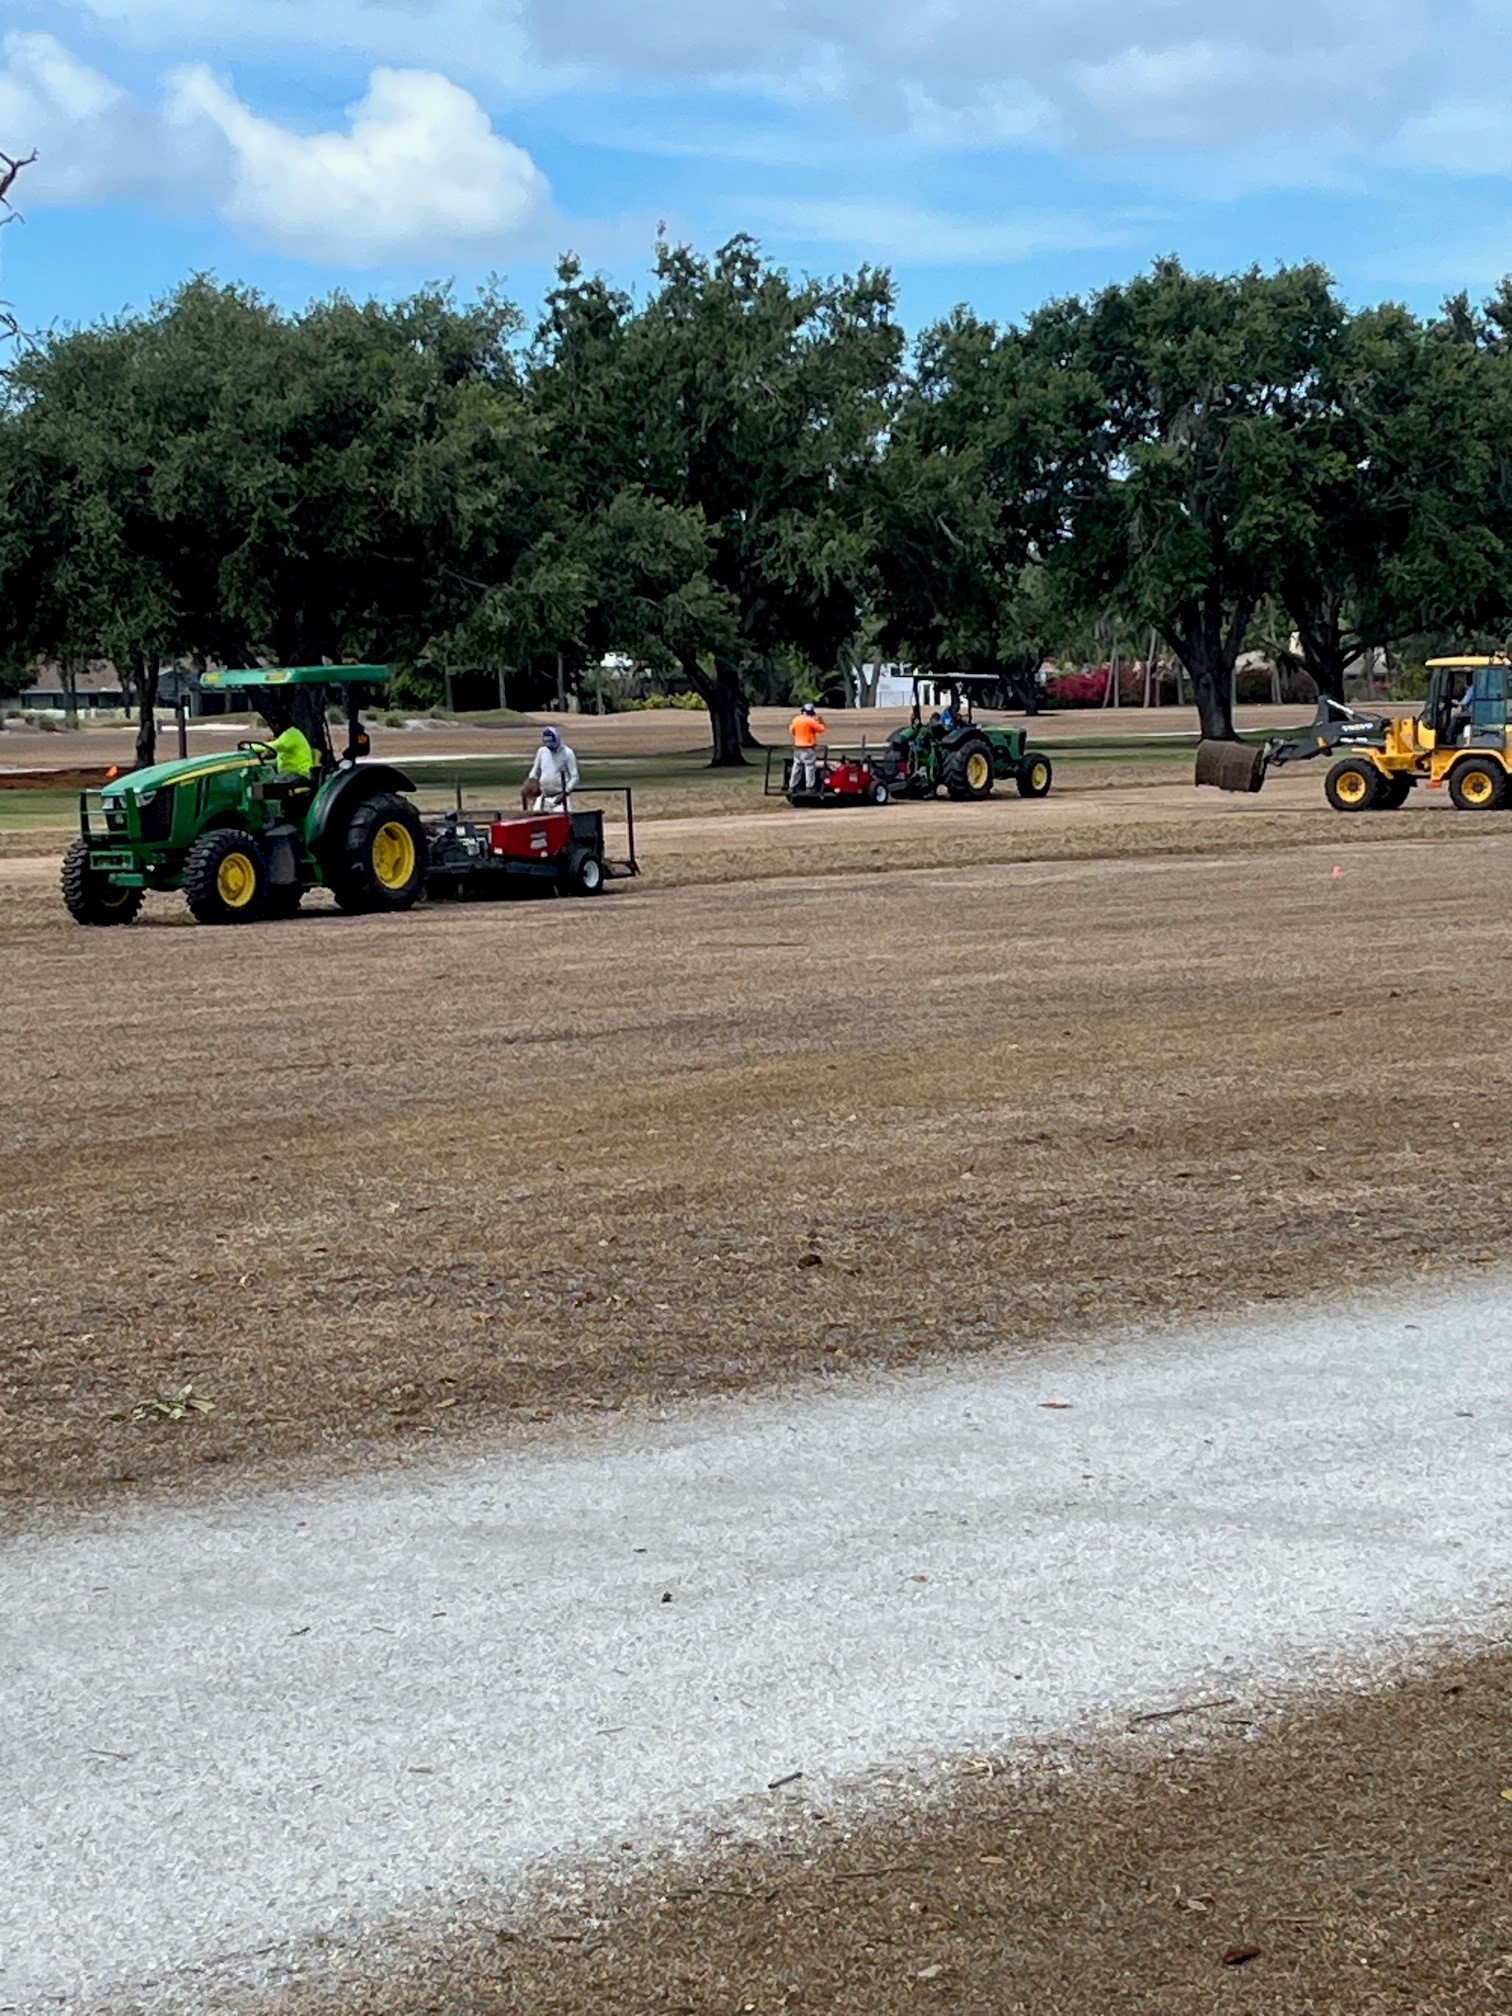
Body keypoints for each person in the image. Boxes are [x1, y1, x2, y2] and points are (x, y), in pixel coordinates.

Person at [526, 724, 581, 811]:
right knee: (536, 817)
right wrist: (532, 780)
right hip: (544, 797)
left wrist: (565, 792)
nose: (550, 747)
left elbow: (575, 777)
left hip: (561, 798)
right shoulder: (542, 752)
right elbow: (535, 770)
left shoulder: (567, 753)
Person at [787, 702, 827, 796]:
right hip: (808, 748)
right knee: (809, 767)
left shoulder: (796, 720)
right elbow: (821, 729)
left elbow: (791, 731)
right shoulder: (810, 721)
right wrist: (820, 721)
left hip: (797, 747)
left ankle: (792, 786)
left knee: (796, 767)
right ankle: (809, 787)